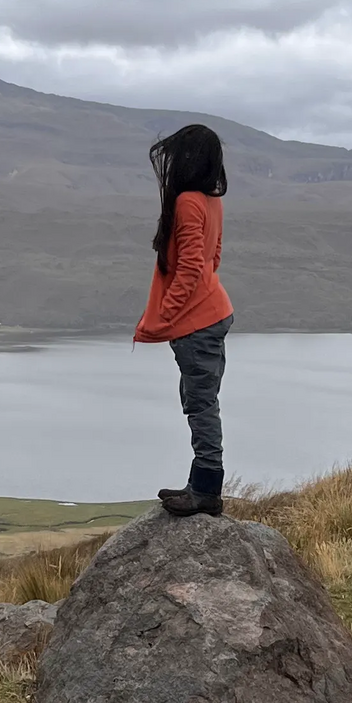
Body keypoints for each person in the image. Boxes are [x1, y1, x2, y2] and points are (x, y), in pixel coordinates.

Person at [134, 123, 235, 517]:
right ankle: (200, 484)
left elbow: (192, 267)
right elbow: (214, 258)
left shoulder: (188, 202)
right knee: (199, 400)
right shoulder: (211, 201)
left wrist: (167, 315)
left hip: (199, 322)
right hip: (214, 314)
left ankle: (206, 491)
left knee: (200, 405)